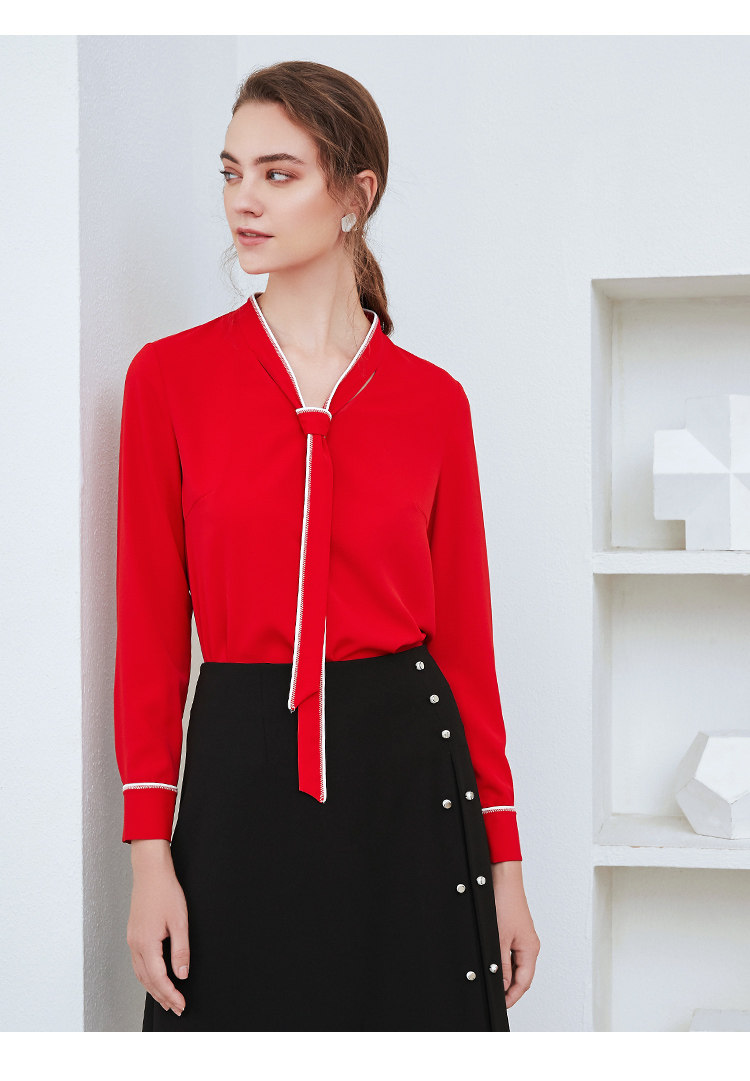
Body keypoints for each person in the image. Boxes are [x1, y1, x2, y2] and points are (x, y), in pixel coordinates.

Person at [114, 59, 540, 1033]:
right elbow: (148, 636)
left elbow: (467, 653)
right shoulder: (168, 381)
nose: (244, 201)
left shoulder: (434, 403)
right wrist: (149, 855)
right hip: (238, 776)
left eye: (279, 174)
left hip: (409, 786)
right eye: (232, 173)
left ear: (356, 195)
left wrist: (505, 865)